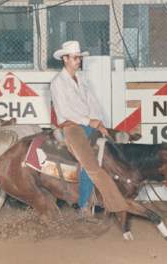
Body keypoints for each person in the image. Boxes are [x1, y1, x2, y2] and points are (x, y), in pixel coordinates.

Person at [50, 40, 128, 215]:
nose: (78, 61)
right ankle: (84, 205)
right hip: (72, 127)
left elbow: (93, 103)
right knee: (90, 164)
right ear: (65, 59)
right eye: (75, 58)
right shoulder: (57, 83)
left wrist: (98, 122)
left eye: (79, 58)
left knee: (110, 153)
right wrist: (89, 122)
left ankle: (99, 198)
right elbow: (64, 111)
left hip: (88, 124)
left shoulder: (82, 80)